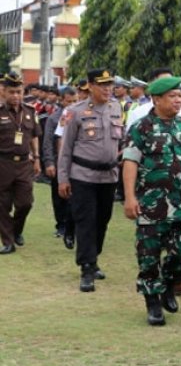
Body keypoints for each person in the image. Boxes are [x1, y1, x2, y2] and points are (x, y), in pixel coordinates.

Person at [122, 75, 181, 326]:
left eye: (180, 96)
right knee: (149, 256)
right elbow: (130, 162)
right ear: (156, 99)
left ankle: (168, 283)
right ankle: (153, 302)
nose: (179, 100)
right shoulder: (142, 128)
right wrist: (129, 197)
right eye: (172, 96)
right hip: (152, 204)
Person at [57, 69, 124, 291]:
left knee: (102, 220)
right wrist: (63, 178)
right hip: (82, 175)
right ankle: (86, 268)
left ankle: (93, 259)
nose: (107, 89)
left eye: (110, 85)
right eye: (102, 85)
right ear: (91, 86)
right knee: (86, 220)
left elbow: (119, 142)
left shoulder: (117, 107)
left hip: (109, 176)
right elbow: (65, 148)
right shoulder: (75, 111)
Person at [0, 72, 41, 254]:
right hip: (3, 163)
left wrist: (37, 157)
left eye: (19, 92)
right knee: (2, 205)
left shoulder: (30, 112)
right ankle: (8, 242)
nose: (16, 96)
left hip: (24, 164)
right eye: (12, 92)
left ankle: (16, 231)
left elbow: (34, 136)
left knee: (26, 203)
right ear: (4, 92)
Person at [44, 87, 77, 247]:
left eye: (74, 101)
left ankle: (72, 225)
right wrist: (49, 162)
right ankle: (61, 225)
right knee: (59, 197)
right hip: (58, 163)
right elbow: (48, 142)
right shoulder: (54, 118)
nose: (71, 104)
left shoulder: (80, 116)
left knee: (74, 196)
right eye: (68, 101)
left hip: (75, 163)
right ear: (61, 100)